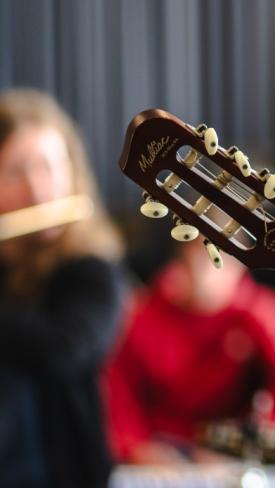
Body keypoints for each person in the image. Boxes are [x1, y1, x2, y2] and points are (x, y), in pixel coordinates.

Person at [104, 237, 275, 463]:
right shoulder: (144, 313)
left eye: (214, 263)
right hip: (160, 448)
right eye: (193, 261)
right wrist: (136, 447)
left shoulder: (258, 311)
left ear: (239, 268)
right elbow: (116, 391)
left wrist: (248, 441)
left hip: (234, 450)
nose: (202, 273)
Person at [0, 89, 127, 486]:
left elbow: (65, 347)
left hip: (62, 472)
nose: (37, 189)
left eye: (49, 167)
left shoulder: (92, 267)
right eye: (17, 171)